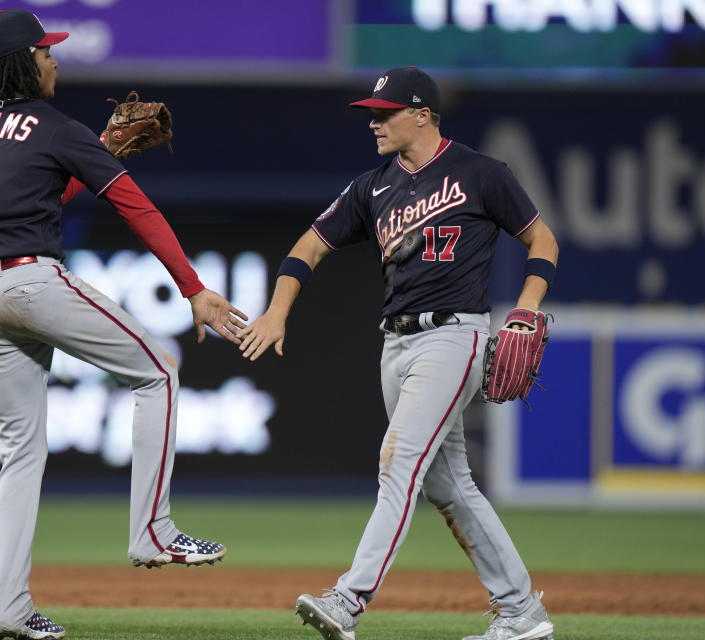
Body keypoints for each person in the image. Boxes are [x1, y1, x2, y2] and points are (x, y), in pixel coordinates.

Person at [0, 10, 246, 640]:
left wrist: (99, 150)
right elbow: (134, 204)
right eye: (46, 52)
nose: (55, 60)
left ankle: (9, 608)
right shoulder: (53, 124)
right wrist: (192, 287)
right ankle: (153, 531)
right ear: (22, 62)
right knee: (158, 369)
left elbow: (36, 199)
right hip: (29, 285)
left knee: (20, 454)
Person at [239, 66, 558, 640]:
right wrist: (278, 309)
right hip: (396, 342)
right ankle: (521, 612)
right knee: (448, 484)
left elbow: (542, 240)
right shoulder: (372, 186)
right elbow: (309, 245)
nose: (374, 122)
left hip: (453, 336)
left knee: (399, 462)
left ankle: (348, 599)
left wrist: (526, 307)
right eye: (370, 113)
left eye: (384, 113)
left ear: (422, 114)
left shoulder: (481, 173)